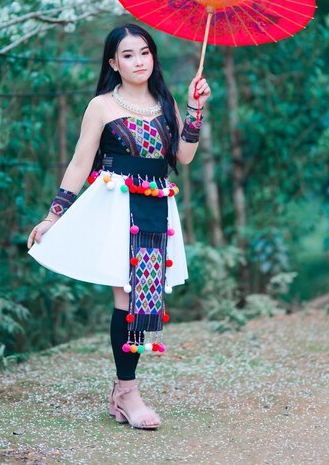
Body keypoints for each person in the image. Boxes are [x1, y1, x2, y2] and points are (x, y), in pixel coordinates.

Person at [27, 23, 211, 429]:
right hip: (114, 210)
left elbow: (184, 155)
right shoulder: (101, 106)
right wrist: (53, 215)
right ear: (113, 62)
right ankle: (128, 393)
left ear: (153, 56)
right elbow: (79, 163)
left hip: (156, 208)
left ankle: (122, 389)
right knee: (127, 299)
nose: (138, 61)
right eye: (128, 55)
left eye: (144, 52)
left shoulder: (166, 101)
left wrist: (195, 109)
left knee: (146, 302)